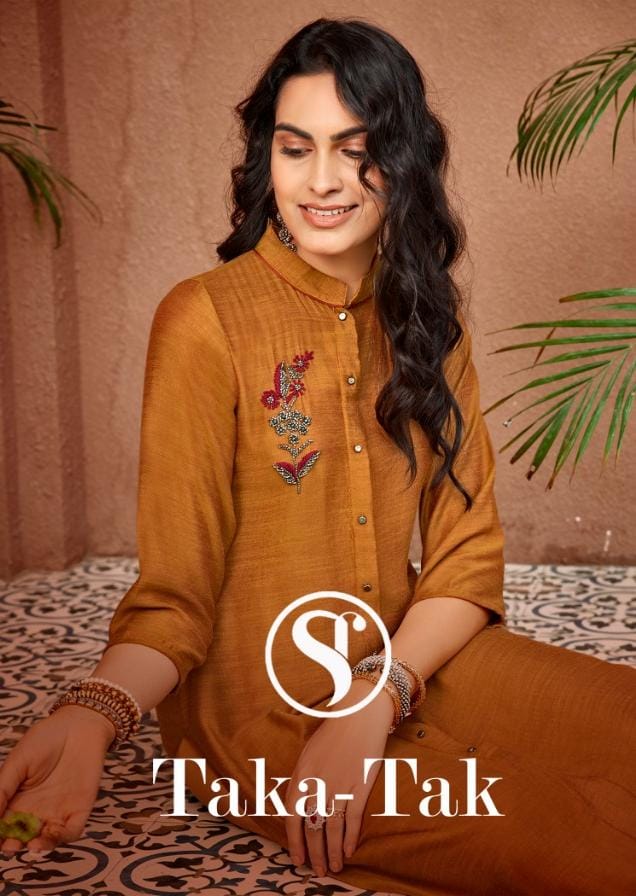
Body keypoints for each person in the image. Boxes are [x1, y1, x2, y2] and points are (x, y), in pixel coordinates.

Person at [1, 17, 634, 896]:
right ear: (267, 160)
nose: (324, 180)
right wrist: (93, 716)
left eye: (356, 151)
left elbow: (465, 557)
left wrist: (379, 694)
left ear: (403, 162)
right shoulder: (204, 321)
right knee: (575, 840)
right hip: (268, 717)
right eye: (296, 149)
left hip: (413, 665)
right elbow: (175, 596)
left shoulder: (426, 319)